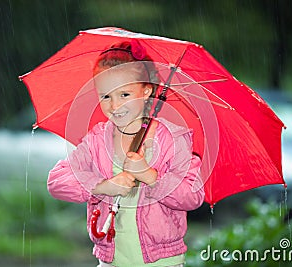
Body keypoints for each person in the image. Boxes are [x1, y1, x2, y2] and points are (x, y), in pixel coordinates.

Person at [47, 40, 204, 267]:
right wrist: (102, 186)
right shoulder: (97, 140)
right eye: (105, 96)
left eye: (125, 95)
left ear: (147, 91)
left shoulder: (172, 140)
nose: (114, 106)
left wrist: (150, 175)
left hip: (162, 263)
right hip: (112, 261)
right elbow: (57, 181)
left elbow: (192, 196)